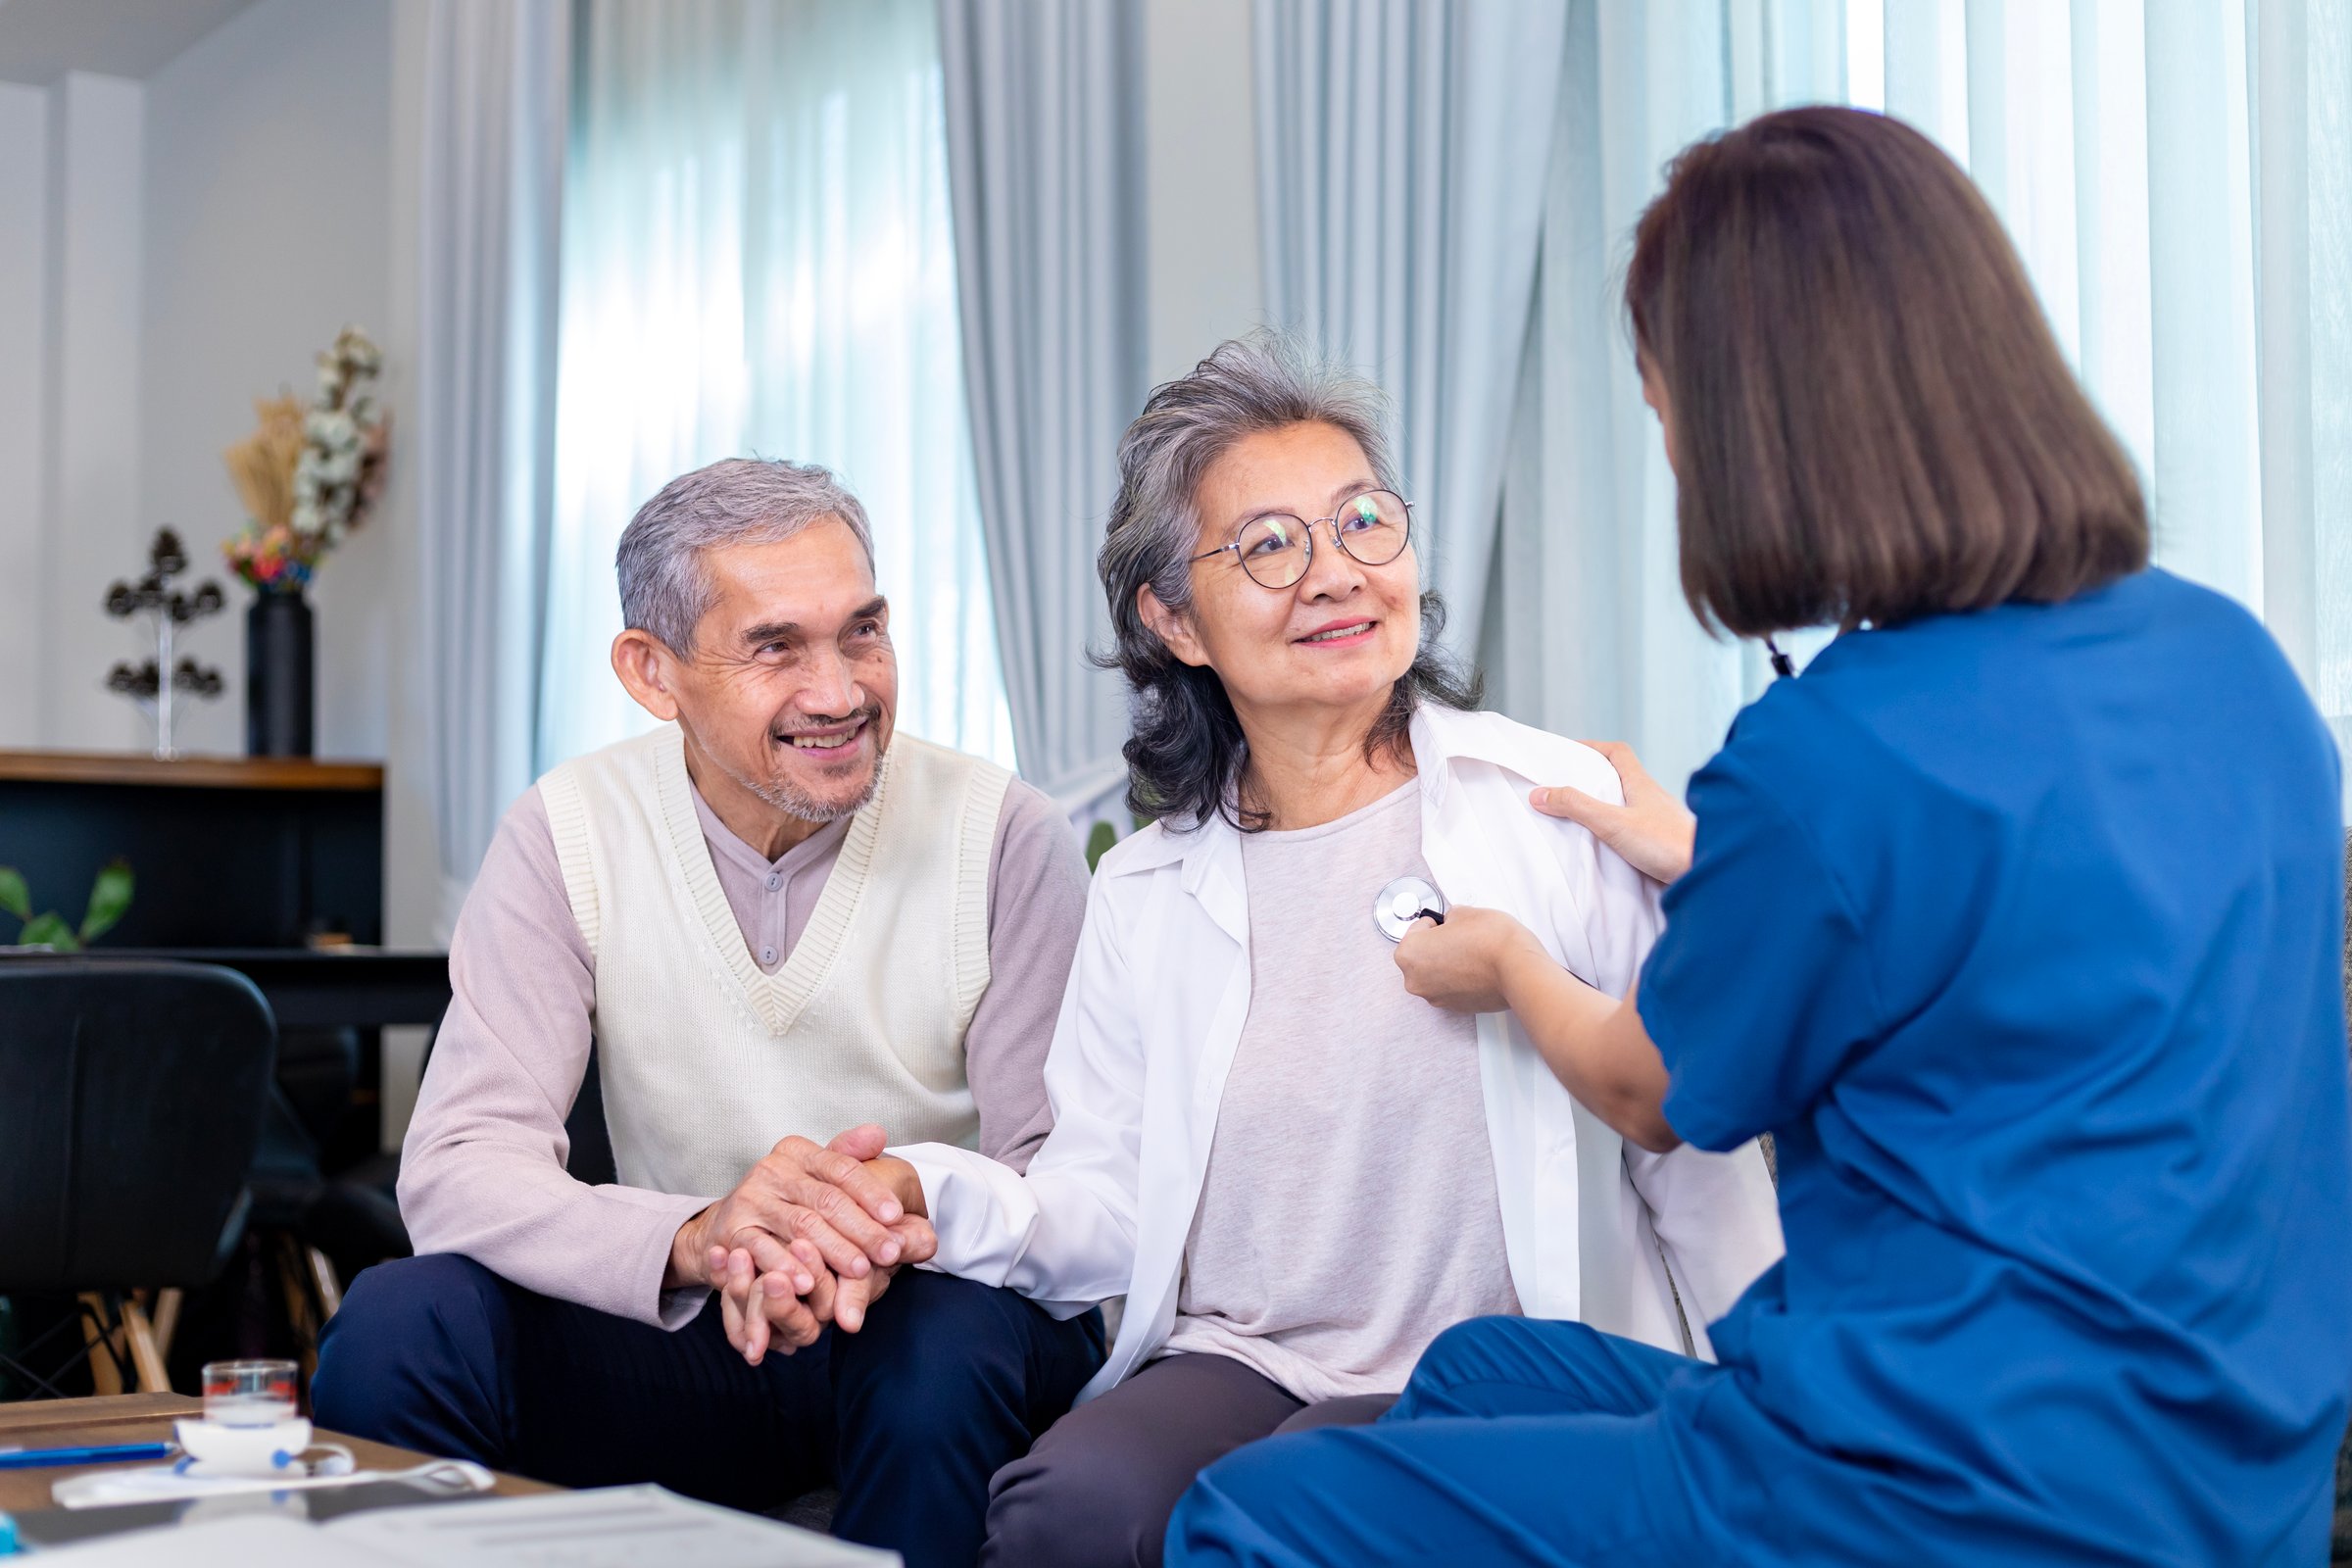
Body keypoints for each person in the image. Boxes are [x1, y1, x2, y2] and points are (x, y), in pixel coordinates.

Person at [1162, 107, 2352, 1566]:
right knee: (1479, 1372)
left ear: (1754, 431)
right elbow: (2021, 903)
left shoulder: (1829, 759)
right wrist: (1715, 864)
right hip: (2229, 1484)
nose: (1672, 454)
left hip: (1936, 1502)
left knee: (1245, 1513)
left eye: (1668, 409)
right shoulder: (2229, 660)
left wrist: (1513, 965)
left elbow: (1652, 1090)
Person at [717, 334, 1784, 1566]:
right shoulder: (1146, 889)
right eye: (1270, 545)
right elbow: (1104, 1201)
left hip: (1495, 1361)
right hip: (1244, 1355)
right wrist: (920, 1190)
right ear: (1175, 619)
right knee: (1070, 1508)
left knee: (1289, 1495)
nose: (1335, 574)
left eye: (1363, 522)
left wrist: (1779, 1415)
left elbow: (1691, 1154)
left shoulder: (1558, 804)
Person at [311, 459, 1104, 1568]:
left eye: (864, 632)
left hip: (934, 1325)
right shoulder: (566, 830)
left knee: (940, 1342)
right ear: (652, 672)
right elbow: (459, 1165)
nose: (839, 692)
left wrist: (869, 1233)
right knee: (402, 1320)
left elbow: (1062, 1186)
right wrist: (697, 1240)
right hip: (694, 1332)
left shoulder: (1006, 835)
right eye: (777, 648)